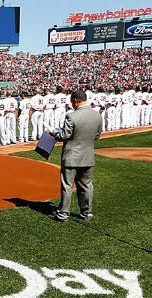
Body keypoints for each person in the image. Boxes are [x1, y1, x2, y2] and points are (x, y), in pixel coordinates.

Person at [49, 90, 102, 223]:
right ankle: (86, 213)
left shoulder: (71, 116)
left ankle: (63, 214)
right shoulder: (97, 115)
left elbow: (64, 136)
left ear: (75, 101)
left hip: (72, 156)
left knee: (67, 185)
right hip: (88, 155)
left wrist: (54, 133)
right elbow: (97, 136)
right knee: (87, 185)